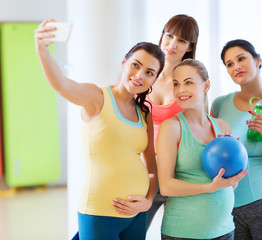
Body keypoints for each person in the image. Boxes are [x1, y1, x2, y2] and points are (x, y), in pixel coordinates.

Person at [35, 19, 165, 240]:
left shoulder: (144, 113)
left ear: (154, 80)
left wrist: (148, 201)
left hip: (136, 215)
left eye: (149, 72)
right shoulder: (97, 97)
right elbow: (61, 84)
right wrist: (42, 50)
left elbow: (151, 167)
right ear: (124, 62)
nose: (140, 75)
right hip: (99, 212)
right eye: (136, 65)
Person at [157, 59, 247, 240]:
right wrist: (209, 187)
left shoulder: (222, 127)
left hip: (224, 230)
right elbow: (166, 186)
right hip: (184, 233)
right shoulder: (172, 127)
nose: (181, 90)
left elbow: (231, 184)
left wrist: (236, 165)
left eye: (188, 82)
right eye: (176, 84)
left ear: (206, 85)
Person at [211, 39, 262, 240]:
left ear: (257, 60)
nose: (236, 66)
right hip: (228, 205)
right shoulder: (220, 104)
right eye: (229, 64)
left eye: (241, 59)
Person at [146, 14, 199, 227]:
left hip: (179, 173)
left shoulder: (192, 81)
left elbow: (200, 125)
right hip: (146, 172)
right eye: (169, 36)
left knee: (177, 233)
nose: (172, 44)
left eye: (181, 41)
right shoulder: (145, 75)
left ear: (189, 46)